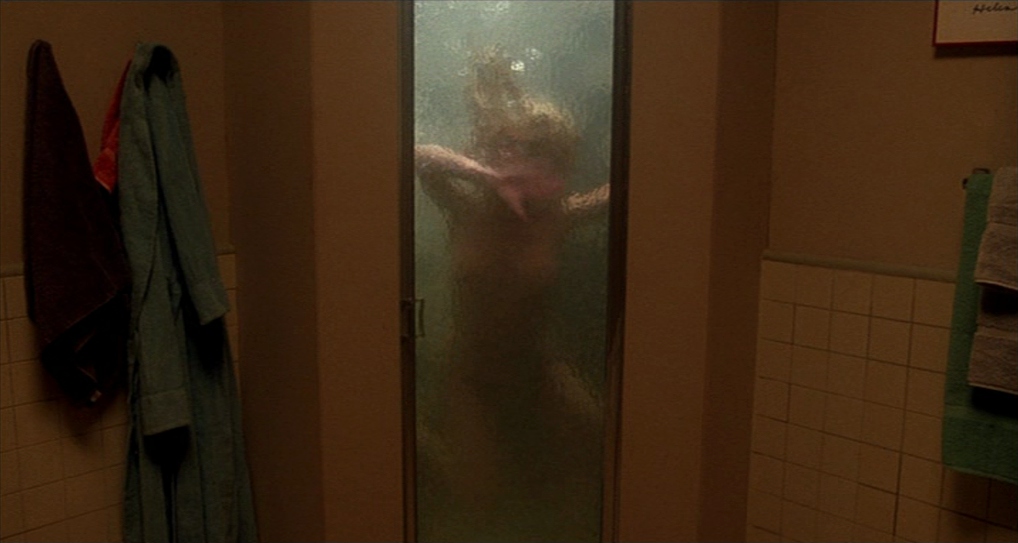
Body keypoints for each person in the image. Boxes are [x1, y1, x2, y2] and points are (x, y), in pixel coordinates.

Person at [414, 47, 608, 535]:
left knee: (602, 443)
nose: (522, 164)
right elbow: (420, 157)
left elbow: (628, 189)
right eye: (511, 153)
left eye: (538, 156)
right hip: (471, 376)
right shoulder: (467, 211)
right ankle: (417, 438)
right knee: (477, 498)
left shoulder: (558, 218)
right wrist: (489, 177)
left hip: (537, 368)